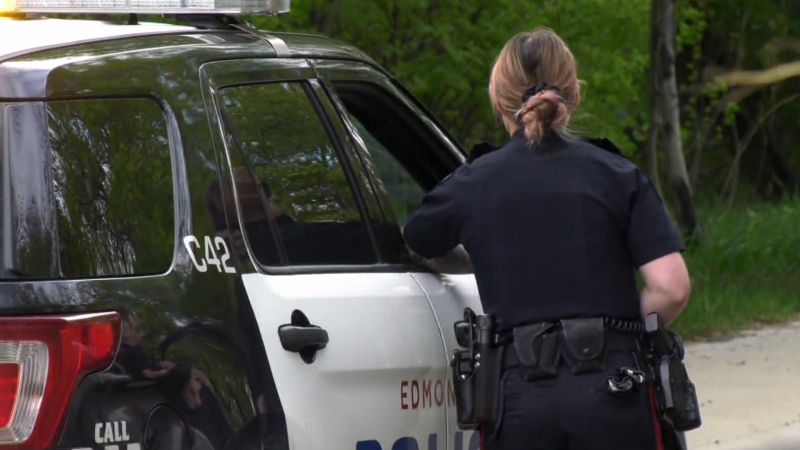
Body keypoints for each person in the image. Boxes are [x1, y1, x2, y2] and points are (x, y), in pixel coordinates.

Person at [402, 28, 691, 450]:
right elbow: (672, 288)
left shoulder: (472, 184)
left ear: (501, 100)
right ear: (572, 95)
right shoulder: (617, 175)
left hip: (518, 402)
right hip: (615, 391)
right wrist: (620, 330)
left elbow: (417, 241)